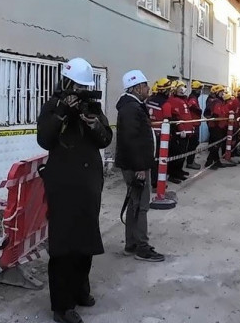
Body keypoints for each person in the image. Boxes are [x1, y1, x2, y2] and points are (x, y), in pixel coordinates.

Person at [36, 58, 112, 323]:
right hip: (63, 183)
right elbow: (45, 139)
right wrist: (62, 114)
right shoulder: (52, 106)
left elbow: (107, 138)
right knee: (65, 244)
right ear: (67, 83)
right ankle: (62, 305)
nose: (80, 92)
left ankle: (81, 290)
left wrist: (93, 123)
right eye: (77, 87)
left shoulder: (93, 106)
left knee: (86, 240)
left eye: (84, 87)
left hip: (89, 183)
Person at [115, 69, 166, 263]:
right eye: (145, 85)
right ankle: (142, 247)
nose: (148, 89)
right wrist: (139, 168)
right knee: (141, 206)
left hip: (136, 163)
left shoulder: (133, 106)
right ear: (137, 87)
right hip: (136, 165)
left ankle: (132, 244)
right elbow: (131, 140)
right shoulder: (131, 108)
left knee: (134, 204)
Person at [145, 78, 172, 189]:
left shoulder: (149, 100)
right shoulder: (166, 104)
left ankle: (149, 180)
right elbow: (168, 120)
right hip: (161, 135)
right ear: (166, 90)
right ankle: (157, 183)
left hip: (149, 133)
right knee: (160, 159)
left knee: (151, 158)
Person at [166, 80, 194, 183]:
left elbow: (186, 115)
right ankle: (173, 174)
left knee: (183, 153)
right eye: (180, 87)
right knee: (176, 153)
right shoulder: (172, 101)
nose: (183, 90)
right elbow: (175, 117)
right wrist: (181, 128)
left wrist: (190, 127)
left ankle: (179, 170)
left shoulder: (183, 100)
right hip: (179, 133)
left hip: (186, 131)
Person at [203, 85, 236, 168]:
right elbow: (216, 114)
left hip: (217, 126)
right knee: (215, 145)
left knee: (216, 145)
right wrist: (219, 126)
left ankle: (216, 162)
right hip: (216, 127)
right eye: (221, 92)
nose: (223, 93)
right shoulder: (217, 102)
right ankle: (210, 162)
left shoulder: (219, 102)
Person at [185, 80, 204, 170]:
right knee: (193, 143)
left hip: (195, 123)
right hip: (193, 124)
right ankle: (190, 162)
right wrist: (199, 110)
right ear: (197, 90)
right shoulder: (192, 98)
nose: (200, 92)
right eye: (200, 90)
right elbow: (192, 107)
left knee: (194, 143)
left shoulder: (193, 98)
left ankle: (190, 161)